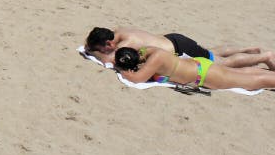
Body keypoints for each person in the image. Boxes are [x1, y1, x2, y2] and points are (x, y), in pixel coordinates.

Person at [84, 27, 275, 70]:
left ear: (109, 44)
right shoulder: (118, 32)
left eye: (101, 48)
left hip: (179, 47)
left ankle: (265, 57)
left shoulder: (126, 45)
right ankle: (250, 48)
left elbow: (108, 61)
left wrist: (92, 52)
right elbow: (88, 42)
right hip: (173, 39)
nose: (103, 51)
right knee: (209, 52)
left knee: (221, 63)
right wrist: (91, 45)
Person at [114, 46, 275, 91]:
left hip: (204, 74)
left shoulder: (154, 60)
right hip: (200, 66)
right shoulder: (146, 51)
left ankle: (268, 59)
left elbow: (137, 79)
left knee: (251, 82)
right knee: (240, 74)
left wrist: (122, 70)